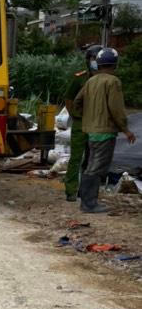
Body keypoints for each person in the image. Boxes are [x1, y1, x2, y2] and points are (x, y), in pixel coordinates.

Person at [74, 47, 136, 213]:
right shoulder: (113, 82)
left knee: (91, 166)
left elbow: (77, 101)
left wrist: (87, 117)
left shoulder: (91, 81)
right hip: (105, 133)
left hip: (91, 132)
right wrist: (126, 130)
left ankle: (85, 201)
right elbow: (116, 109)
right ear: (115, 64)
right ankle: (89, 204)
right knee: (97, 168)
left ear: (99, 64)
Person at [63, 45, 101, 202]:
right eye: (93, 58)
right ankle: (71, 190)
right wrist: (75, 115)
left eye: (98, 59)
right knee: (76, 158)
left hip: (97, 124)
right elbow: (68, 99)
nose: (95, 61)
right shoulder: (80, 78)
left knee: (92, 160)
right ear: (88, 60)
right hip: (80, 123)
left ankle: (85, 191)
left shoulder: (106, 79)